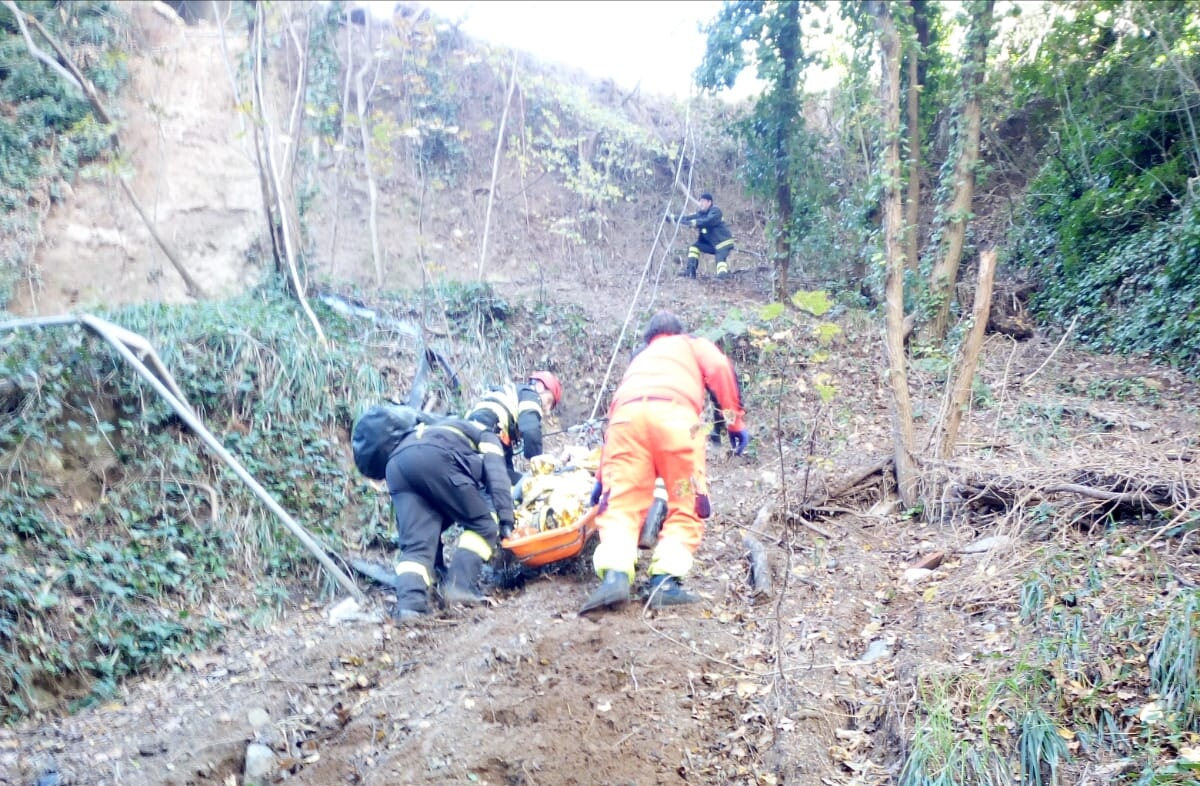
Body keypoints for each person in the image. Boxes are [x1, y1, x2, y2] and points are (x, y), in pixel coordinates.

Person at [581, 311, 750, 614]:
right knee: (686, 500)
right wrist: (734, 422)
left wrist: (601, 480)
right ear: (678, 331)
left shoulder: (639, 360)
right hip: (675, 421)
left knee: (621, 503)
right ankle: (664, 582)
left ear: (649, 339)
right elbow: (719, 368)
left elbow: (615, 415)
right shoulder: (691, 344)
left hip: (626, 425)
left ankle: (615, 577)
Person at [383, 415, 516, 621]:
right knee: (484, 526)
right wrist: (506, 519)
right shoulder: (487, 435)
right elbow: (497, 477)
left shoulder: (442, 426)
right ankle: (459, 586)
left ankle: (411, 605)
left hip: (396, 466)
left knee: (417, 545)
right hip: (435, 458)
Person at [465, 371, 563, 484]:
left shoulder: (509, 404)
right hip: (485, 437)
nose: (547, 410)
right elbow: (531, 431)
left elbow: (506, 465)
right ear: (540, 386)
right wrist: (540, 464)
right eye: (549, 401)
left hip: (471, 447)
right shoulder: (530, 394)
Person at [674, 192, 735, 280]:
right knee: (694, 247)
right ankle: (690, 271)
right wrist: (673, 218)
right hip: (713, 244)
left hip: (723, 242)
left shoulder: (716, 211)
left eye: (703, 201)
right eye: (700, 201)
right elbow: (687, 218)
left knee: (720, 259)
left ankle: (722, 277)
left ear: (709, 202)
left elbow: (708, 221)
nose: (701, 203)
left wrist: (695, 223)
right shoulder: (701, 214)